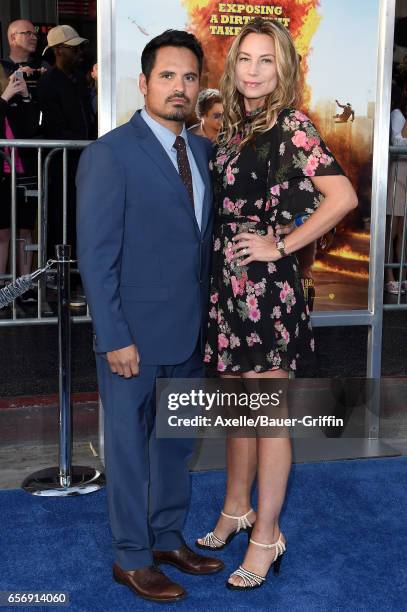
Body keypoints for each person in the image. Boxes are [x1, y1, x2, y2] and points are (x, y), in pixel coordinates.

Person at [197, 18, 358, 590]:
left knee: (267, 416)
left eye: (267, 60)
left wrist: (281, 243)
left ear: (283, 67)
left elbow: (342, 196)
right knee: (238, 409)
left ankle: (267, 534)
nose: (254, 70)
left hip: (267, 289)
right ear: (233, 65)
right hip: (229, 284)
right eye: (246, 59)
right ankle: (235, 507)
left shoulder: (291, 125)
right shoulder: (235, 128)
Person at [76, 30, 222, 603]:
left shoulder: (205, 152)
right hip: (131, 337)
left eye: (189, 77)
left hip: (189, 334)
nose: (179, 87)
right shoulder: (109, 153)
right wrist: (113, 335)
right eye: (167, 76)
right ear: (143, 83)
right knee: (132, 450)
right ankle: (131, 558)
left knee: (175, 445)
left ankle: (166, 538)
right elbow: (97, 254)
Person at [38, 25, 95, 301]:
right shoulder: (50, 83)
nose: (80, 52)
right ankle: (62, 284)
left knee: (78, 220)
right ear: (60, 50)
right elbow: (52, 126)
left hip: (79, 162)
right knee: (62, 221)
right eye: (74, 48)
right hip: (62, 165)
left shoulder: (76, 81)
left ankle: (75, 280)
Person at [0, 64, 40, 299]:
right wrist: (5, 97)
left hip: (23, 173)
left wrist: (25, 96)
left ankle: (24, 287)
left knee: (25, 229)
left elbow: (33, 127)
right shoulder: (4, 101)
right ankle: (3, 288)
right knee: (2, 232)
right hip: (3, 175)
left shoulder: (13, 101)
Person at [385, 82, 407, 295]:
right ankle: (388, 276)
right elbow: (396, 142)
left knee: (403, 232)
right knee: (392, 229)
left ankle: (402, 275)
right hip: (398, 172)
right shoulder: (398, 114)